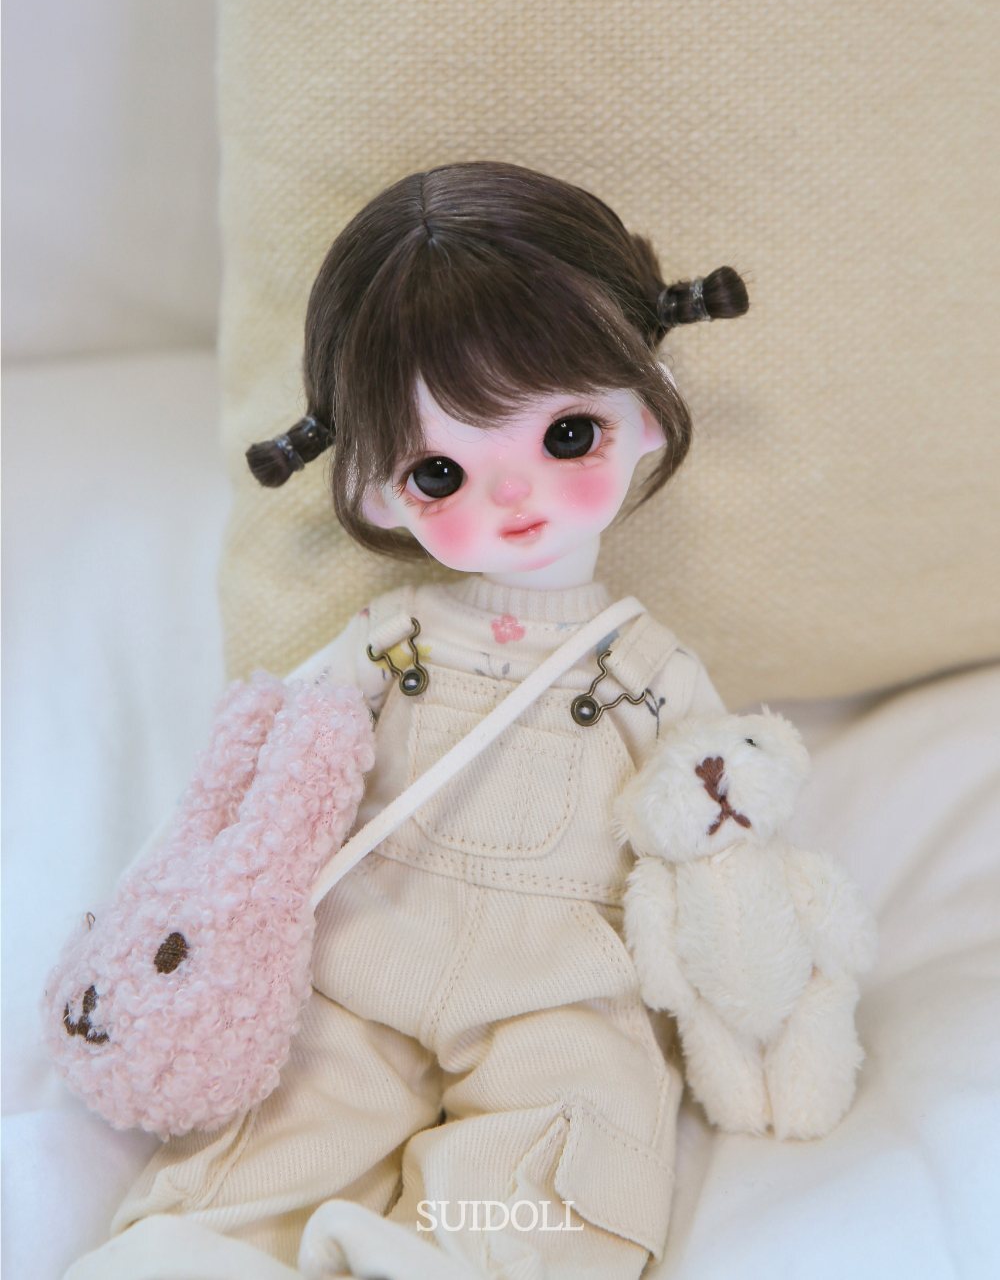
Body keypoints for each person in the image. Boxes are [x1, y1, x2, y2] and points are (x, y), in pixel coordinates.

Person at [66, 160, 748, 1280]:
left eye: (566, 436)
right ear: (378, 491)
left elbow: (718, 838)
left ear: (647, 416)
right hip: (354, 965)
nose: (512, 495)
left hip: (557, 987)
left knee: (555, 1171)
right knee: (265, 1151)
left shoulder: (652, 674)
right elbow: (253, 780)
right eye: (441, 470)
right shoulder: (386, 642)